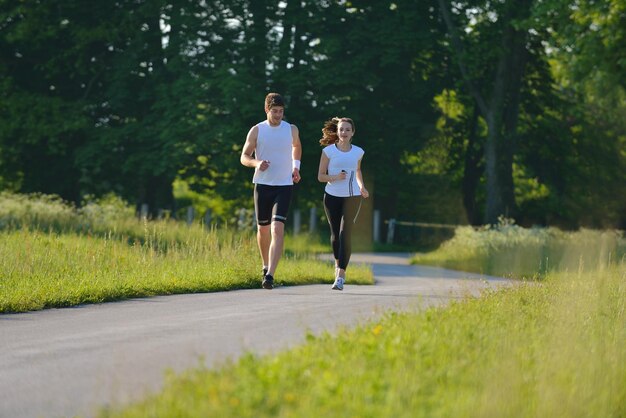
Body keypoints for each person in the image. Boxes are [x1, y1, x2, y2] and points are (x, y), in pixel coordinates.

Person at [240, 93, 302, 289]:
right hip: (263, 185)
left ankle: (270, 276)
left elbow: (297, 146)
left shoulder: (291, 129)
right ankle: (265, 265)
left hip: (284, 185)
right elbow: (244, 156)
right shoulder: (257, 130)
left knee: (277, 228)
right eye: (274, 111)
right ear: (267, 110)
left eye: (281, 112)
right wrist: (256, 163)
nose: (278, 115)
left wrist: (296, 167)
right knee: (263, 229)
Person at [317, 117, 369, 291]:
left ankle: (340, 276)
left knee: (345, 233)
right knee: (335, 235)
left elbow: (358, 170)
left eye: (347, 129)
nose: (344, 133)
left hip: (353, 196)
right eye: (341, 129)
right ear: (337, 132)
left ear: (353, 132)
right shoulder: (328, 152)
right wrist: (335, 177)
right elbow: (320, 176)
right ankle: (338, 263)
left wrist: (362, 187)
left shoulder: (359, 152)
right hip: (332, 196)